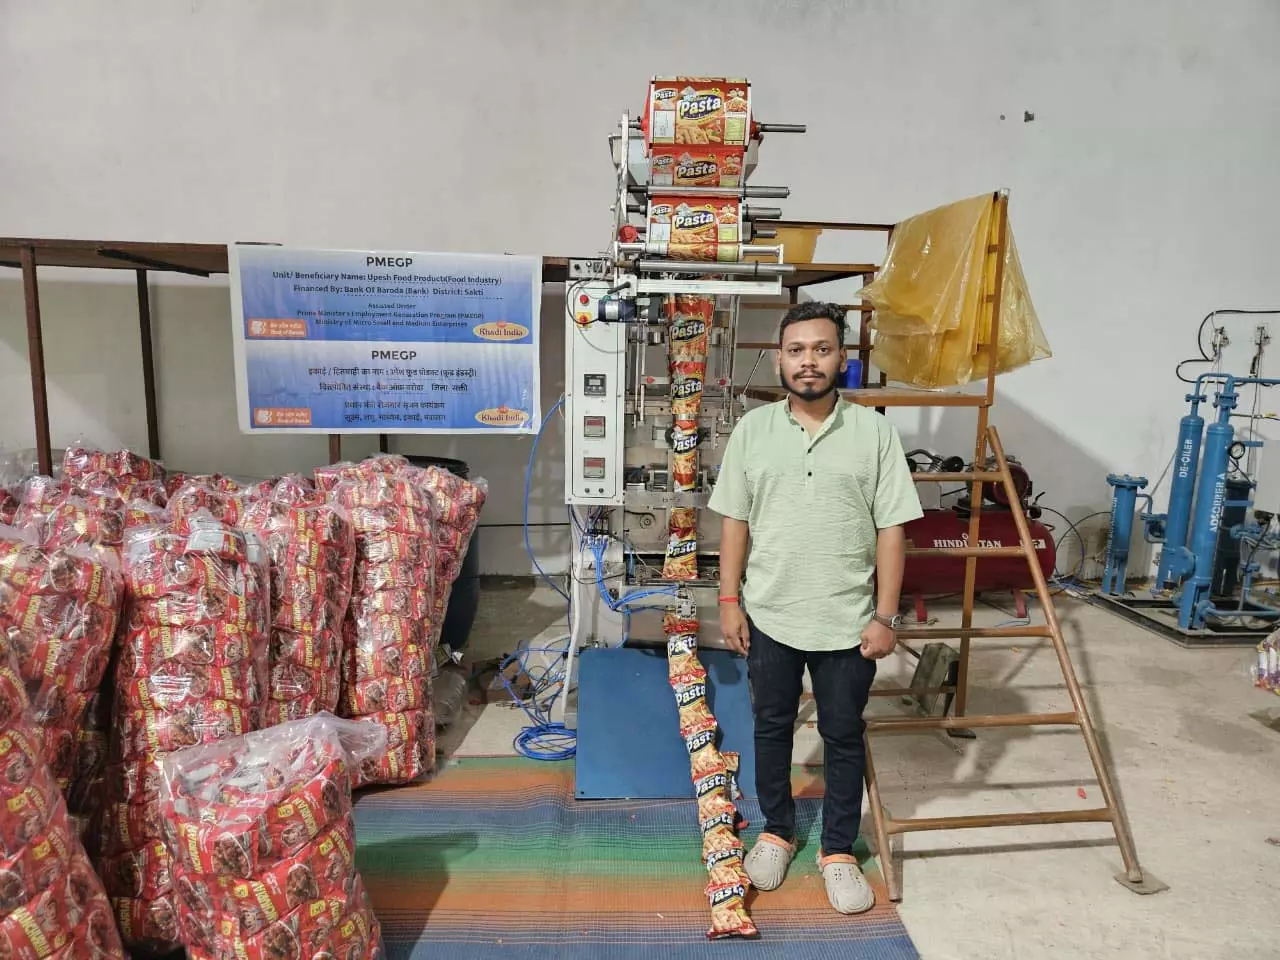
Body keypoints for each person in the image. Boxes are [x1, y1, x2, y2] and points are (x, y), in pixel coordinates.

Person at [706, 300, 923, 914]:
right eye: (797, 350)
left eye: (822, 349)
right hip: (771, 614)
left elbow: (891, 530)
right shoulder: (754, 430)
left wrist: (885, 616)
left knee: (842, 734)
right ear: (779, 358)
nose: (808, 362)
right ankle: (776, 831)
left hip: (848, 623)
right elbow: (735, 522)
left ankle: (838, 850)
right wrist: (729, 601)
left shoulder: (874, 432)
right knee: (771, 727)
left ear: (842, 359)